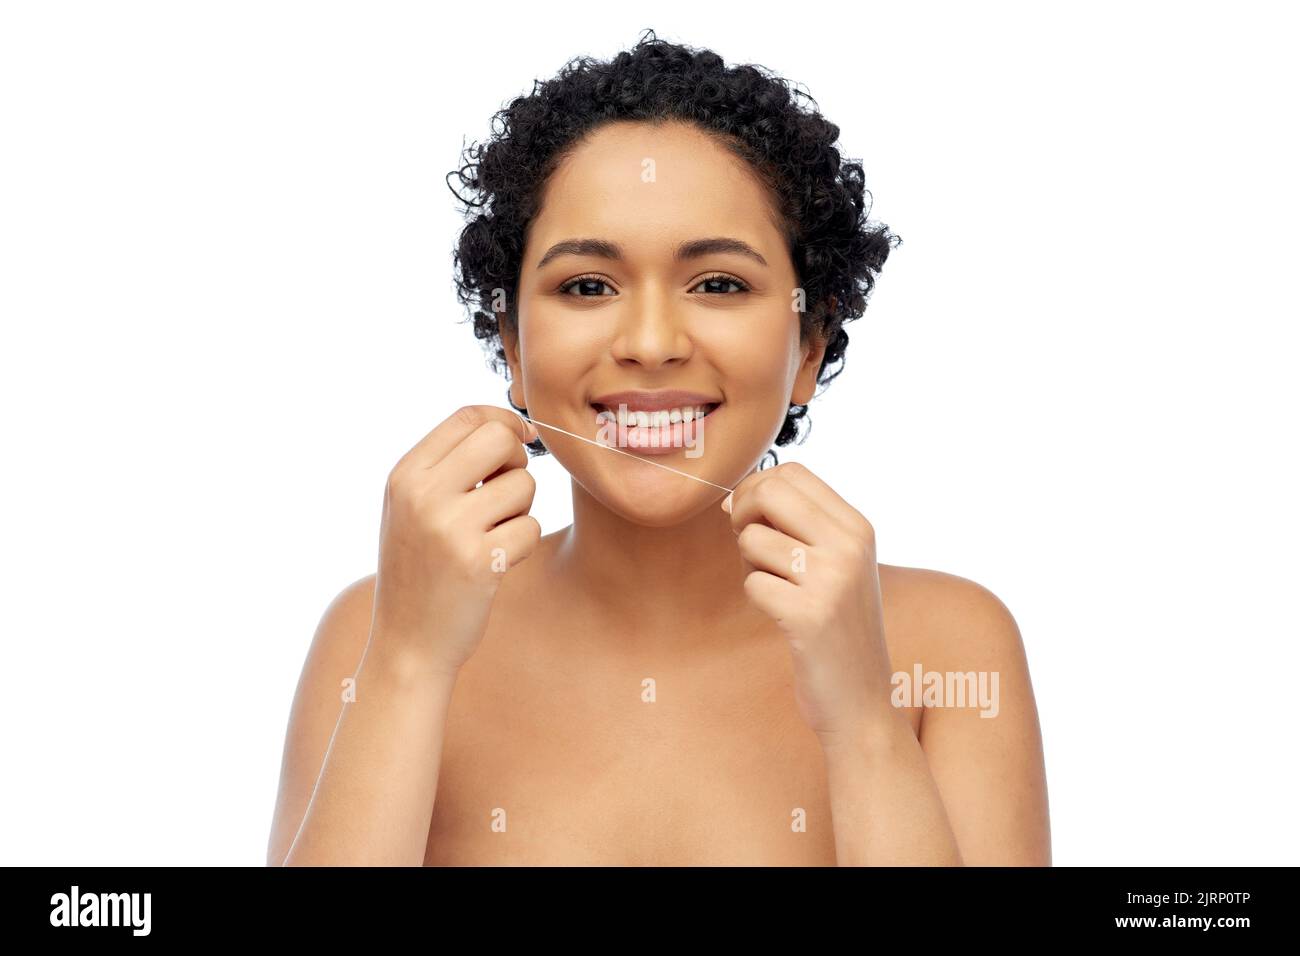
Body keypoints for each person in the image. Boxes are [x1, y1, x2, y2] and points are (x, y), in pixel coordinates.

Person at [266, 29, 1050, 866]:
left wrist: (862, 719)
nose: (648, 342)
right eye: (587, 286)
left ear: (810, 346)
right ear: (515, 349)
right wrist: (409, 663)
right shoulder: (374, 635)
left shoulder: (952, 648)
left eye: (718, 284)